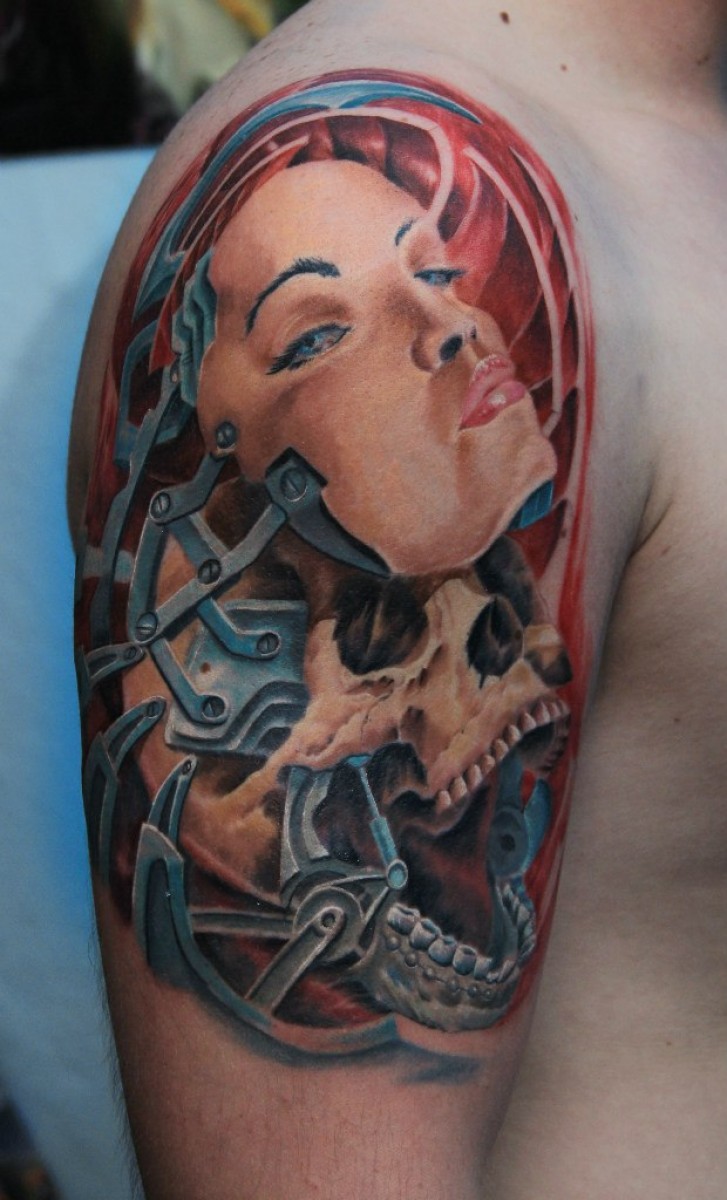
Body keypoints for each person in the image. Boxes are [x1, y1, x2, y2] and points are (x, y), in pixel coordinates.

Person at [67, 2, 727, 1196]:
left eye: (434, 271)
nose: (448, 326)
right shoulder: (412, 109)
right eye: (317, 335)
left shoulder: (659, 138)